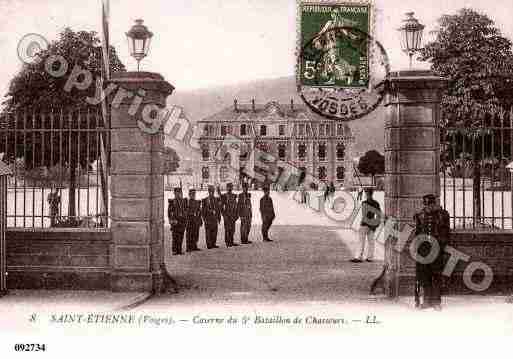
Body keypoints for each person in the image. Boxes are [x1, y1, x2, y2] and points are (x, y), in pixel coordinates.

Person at [413, 194, 450, 310]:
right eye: (426, 204)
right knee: (424, 275)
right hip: (423, 250)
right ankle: (427, 301)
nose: (428, 207)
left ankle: (437, 301)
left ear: (434, 204)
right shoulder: (420, 215)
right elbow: (417, 233)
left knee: (437, 275)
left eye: (430, 204)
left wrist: (441, 245)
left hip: (437, 249)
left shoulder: (442, 215)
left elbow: (446, 232)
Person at [351, 187, 382, 263]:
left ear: (367, 194)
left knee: (361, 241)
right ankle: (370, 257)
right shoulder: (376, 203)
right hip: (372, 224)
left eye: (366, 193)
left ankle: (358, 257)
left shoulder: (364, 203)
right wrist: (375, 225)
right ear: (372, 193)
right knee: (371, 242)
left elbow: (364, 215)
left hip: (364, 224)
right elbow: (379, 215)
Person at [168, 187, 188, 255]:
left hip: (182, 221)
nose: (178, 194)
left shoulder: (183, 201)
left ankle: (179, 249)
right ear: (174, 193)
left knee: (181, 236)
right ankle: (174, 250)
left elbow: (185, 210)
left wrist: (185, 219)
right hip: (175, 221)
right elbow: (170, 212)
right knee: (175, 236)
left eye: (179, 193)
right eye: (176, 193)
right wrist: (171, 221)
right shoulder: (172, 201)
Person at [201, 185, 221, 249]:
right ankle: (209, 245)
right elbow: (203, 211)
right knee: (208, 232)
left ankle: (213, 243)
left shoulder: (216, 199)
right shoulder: (204, 200)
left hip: (214, 219)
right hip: (208, 219)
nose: (211, 192)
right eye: (210, 191)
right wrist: (204, 219)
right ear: (208, 191)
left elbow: (218, 209)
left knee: (214, 232)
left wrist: (219, 217)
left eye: (212, 191)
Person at [220, 182, 239, 247]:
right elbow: (221, 207)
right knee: (227, 229)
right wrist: (224, 215)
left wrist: (236, 214)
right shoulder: (224, 196)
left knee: (233, 229)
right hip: (227, 215)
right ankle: (228, 242)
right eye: (229, 187)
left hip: (233, 214)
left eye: (231, 187)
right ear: (226, 188)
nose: (230, 188)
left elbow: (236, 205)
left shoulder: (234, 195)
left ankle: (231, 241)